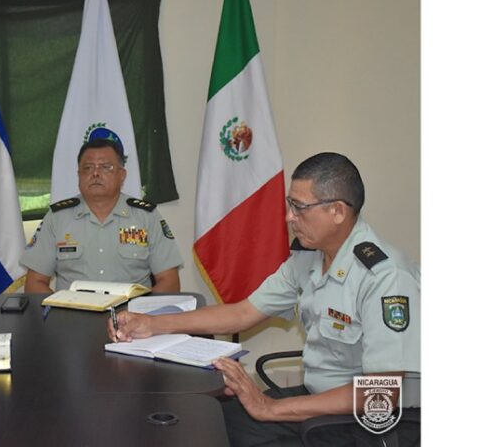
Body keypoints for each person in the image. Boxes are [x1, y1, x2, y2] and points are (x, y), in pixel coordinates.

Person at [109, 152, 420, 446]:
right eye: (289, 205)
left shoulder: (384, 277)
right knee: (208, 419)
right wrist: (152, 324)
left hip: (370, 422)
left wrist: (269, 408)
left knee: (224, 434)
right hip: (323, 402)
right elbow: (243, 313)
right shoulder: (310, 257)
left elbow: (382, 392)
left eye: (299, 208)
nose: (288, 217)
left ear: (337, 211)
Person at [21, 138, 183, 293]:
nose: (96, 173)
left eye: (106, 167)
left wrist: (141, 313)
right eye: (88, 167)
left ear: (122, 175)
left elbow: (169, 282)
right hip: (73, 316)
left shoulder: (147, 217)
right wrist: (60, 313)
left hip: (132, 317)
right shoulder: (57, 218)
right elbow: (35, 283)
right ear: (79, 175)